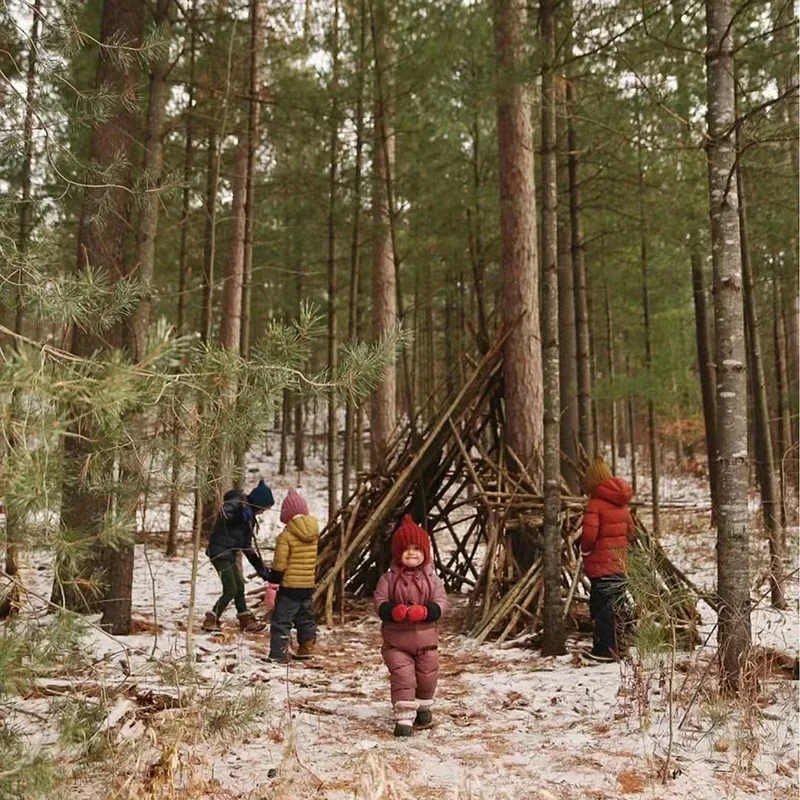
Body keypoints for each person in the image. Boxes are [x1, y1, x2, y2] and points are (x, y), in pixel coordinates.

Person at [373, 515, 447, 737]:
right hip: (397, 643)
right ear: (397, 553)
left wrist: (427, 611)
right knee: (403, 678)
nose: (412, 553)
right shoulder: (388, 580)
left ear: (425, 552)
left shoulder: (432, 579)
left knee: (427, 676)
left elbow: (442, 602)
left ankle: (424, 706)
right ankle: (404, 720)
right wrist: (391, 611)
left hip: (427, 641)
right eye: (406, 549)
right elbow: (379, 602)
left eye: (417, 548)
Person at [579, 456, 635, 662]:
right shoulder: (621, 504)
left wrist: (585, 550)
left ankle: (604, 650)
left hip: (601, 566)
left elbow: (589, 536)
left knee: (602, 608)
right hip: (619, 564)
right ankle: (619, 646)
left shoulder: (595, 504)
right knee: (617, 607)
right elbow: (630, 532)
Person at [202, 479, 274, 634]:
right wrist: (239, 513)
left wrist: (262, 570)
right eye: (263, 508)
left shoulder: (249, 518)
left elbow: (246, 546)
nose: (262, 512)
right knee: (231, 588)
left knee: (239, 585)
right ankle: (211, 618)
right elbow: (224, 514)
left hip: (229, 554)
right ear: (258, 503)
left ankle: (245, 619)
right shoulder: (237, 503)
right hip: (219, 552)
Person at [263, 488, 320, 663]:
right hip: (307, 586)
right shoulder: (314, 533)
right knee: (305, 617)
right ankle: (306, 646)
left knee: (282, 620)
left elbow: (280, 564)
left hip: (289, 587)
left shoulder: (286, 536)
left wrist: (273, 585)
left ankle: (278, 654)